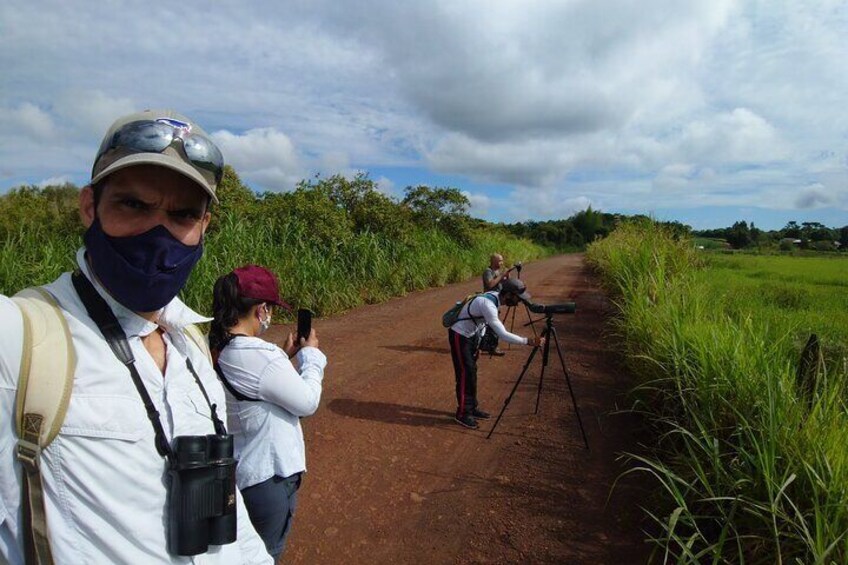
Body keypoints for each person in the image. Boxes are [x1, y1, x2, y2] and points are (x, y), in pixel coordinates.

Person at [0, 110, 272, 563]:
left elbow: (232, 520)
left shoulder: (191, 345)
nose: (157, 232)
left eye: (182, 214)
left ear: (203, 225)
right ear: (90, 207)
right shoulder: (21, 339)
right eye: (133, 205)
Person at [209, 265, 327, 560]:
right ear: (261, 310)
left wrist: (283, 356)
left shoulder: (220, 349)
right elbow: (307, 402)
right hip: (269, 476)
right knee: (265, 554)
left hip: (243, 471)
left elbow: (256, 386)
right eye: (270, 308)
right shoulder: (262, 355)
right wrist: (311, 355)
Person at [448, 278, 544, 429]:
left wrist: (478, 344)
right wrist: (528, 341)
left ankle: (471, 408)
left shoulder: (494, 299)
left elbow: (483, 324)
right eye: (517, 298)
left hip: (471, 336)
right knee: (466, 373)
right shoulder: (488, 305)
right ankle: (462, 414)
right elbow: (503, 334)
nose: (518, 302)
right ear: (508, 295)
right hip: (460, 335)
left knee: (471, 372)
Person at [480, 253, 511, 356]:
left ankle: (486, 345)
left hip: (496, 301)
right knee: (493, 325)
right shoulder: (488, 272)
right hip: (488, 301)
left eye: (502, 260)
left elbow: (504, 283)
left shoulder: (498, 271)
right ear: (493, 261)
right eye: (499, 261)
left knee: (489, 325)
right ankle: (492, 347)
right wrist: (502, 276)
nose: (501, 263)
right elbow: (490, 284)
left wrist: (507, 276)